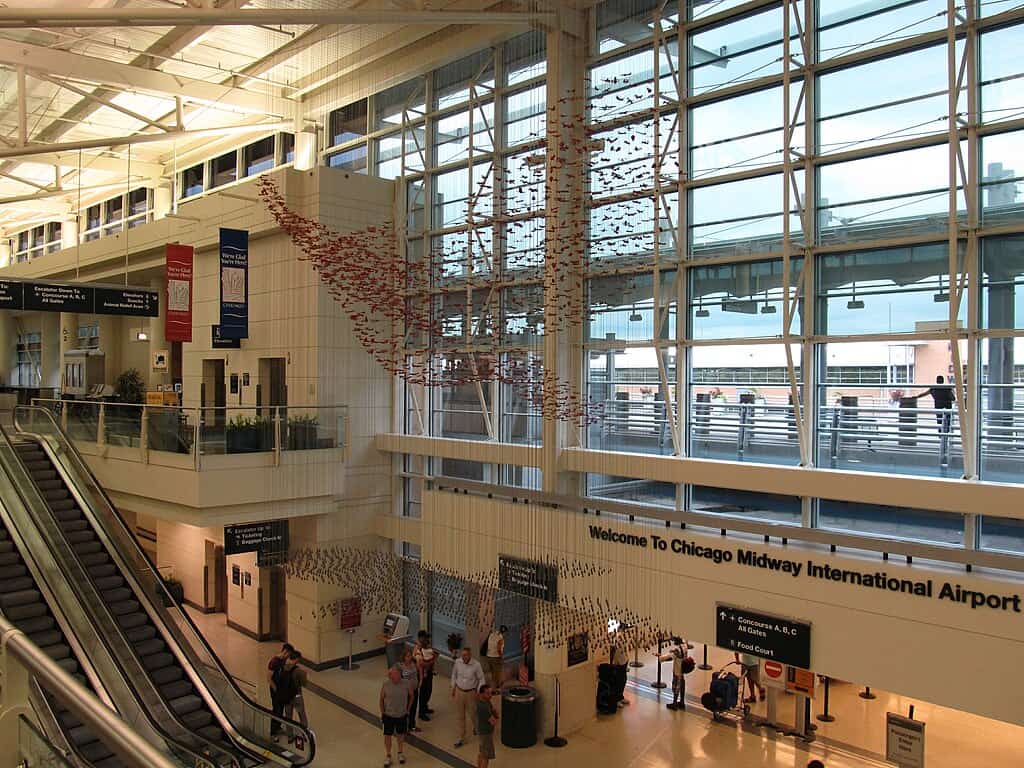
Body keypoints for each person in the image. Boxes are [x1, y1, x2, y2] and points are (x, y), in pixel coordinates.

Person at [450, 646, 485, 748]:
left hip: (471, 693)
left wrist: (479, 691)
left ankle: (479, 732)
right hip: (459, 692)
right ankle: (462, 738)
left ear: (470, 655)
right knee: (460, 716)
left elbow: (481, 679)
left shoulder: (476, 665)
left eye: (466, 655)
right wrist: (453, 687)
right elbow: (454, 675)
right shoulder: (457, 662)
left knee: (473, 715)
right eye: (462, 655)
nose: (463, 657)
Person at [380, 666, 413, 767]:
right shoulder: (386, 684)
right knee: (387, 735)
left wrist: (408, 709)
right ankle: (388, 755)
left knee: (400, 734)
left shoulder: (406, 683)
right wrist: (383, 712)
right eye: (389, 674)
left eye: (392, 674)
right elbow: (381, 699)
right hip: (388, 715)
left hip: (401, 715)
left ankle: (400, 752)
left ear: (399, 674)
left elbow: (412, 696)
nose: (389, 676)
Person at [280, 650, 309, 744]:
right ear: (296, 659)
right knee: (301, 714)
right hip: (296, 695)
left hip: (286, 695)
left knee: (288, 716)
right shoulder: (299, 671)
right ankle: (304, 734)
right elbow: (304, 684)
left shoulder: (282, 667)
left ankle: (290, 736)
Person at [268, 643, 294, 737]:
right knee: (276, 709)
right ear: (285, 651)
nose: (288, 656)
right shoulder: (274, 662)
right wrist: (276, 690)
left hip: (281, 689)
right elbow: (269, 678)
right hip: (276, 691)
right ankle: (273, 730)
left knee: (280, 709)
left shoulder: (283, 661)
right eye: (288, 654)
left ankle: (278, 727)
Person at [659, 637, 693, 710]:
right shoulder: (684, 645)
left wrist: (661, 658)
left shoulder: (677, 650)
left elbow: (671, 657)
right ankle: (682, 701)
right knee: (682, 684)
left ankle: (674, 703)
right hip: (683, 669)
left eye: (674, 640)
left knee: (676, 686)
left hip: (678, 669)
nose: (673, 641)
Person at [414, 632, 437, 721]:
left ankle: (425, 707)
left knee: (429, 690)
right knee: (423, 693)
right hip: (422, 674)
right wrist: (432, 660)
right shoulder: (417, 648)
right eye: (425, 638)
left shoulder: (427, 646)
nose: (427, 640)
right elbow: (421, 663)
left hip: (429, 672)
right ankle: (421, 712)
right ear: (420, 638)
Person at [398, 647, 421, 733]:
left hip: (414, 689)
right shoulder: (400, 666)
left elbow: (418, 672)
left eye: (410, 655)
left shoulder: (414, 663)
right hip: (406, 692)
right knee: (406, 709)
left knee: (413, 708)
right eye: (407, 656)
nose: (409, 657)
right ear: (404, 657)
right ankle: (404, 728)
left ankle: (412, 725)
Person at [476, 685, 499, 768]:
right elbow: (494, 721)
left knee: (482, 753)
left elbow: (493, 710)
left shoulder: (485, 701)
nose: (490, 695)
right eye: (487, 693)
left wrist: (494, 713)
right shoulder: (483, 707)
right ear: (481, 694)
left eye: (491, 693)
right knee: (486, 757)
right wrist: (496, 715)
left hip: (482, 731)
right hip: (486, 733)